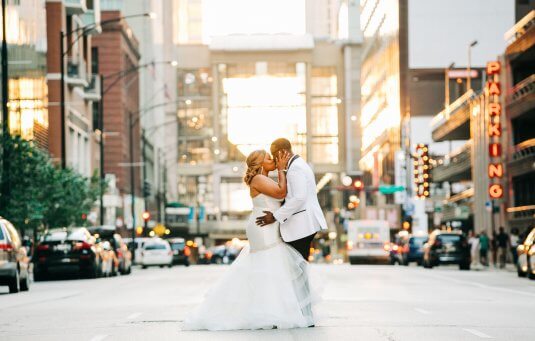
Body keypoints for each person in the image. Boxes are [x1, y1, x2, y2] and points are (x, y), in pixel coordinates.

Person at [183, 148, 317, 331]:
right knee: (268, 264)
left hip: (268, 226)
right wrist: (282, 170)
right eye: (269, 158)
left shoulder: (264, 178)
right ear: (260, 163)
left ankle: (271, 310)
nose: (273, 159)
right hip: (263, 228)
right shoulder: (258, 179)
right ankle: (267, 312)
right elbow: (280, 193)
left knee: (271, 266)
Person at [256, 138, 328, 261]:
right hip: (303, 225)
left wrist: (275, 216)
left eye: (274, 154)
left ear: (282, 152)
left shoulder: (295, 168)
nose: (274, 158)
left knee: (296, 268)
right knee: (297, 268)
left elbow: (299, 197)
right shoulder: (296, 165)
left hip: (301, 226)